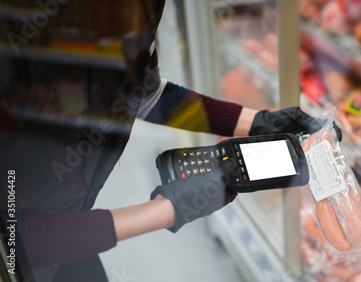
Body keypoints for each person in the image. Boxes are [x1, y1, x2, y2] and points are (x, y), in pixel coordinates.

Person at [0, 1, 326, 281]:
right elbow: (15, 238)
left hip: (71, 222)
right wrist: (168, 209)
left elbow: (142, 94)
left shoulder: (139, 11)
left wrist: (253, 122)